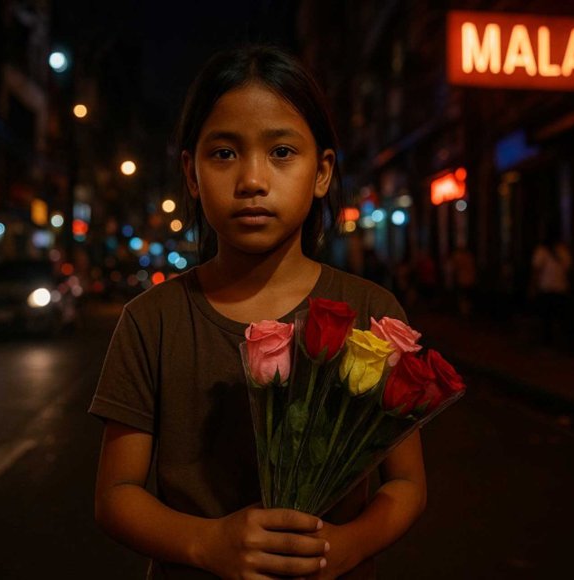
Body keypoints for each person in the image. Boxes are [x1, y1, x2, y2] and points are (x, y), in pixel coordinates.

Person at [89, 45, 426, 580]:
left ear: (322, 171)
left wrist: (349, 546)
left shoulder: (371, 314)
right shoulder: (152, 320)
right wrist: (208, 543)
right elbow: (116, 495)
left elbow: (404, 483)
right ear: (192, 175)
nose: (252, 180)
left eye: (282, 152)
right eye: (224, 153)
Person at [530, 226, 574, 351]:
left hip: (547, 288)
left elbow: (536, 271)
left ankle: (548, 343)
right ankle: (561, 343)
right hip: (560, 288)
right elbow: (568, 270)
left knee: (546, 319)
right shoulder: (563, 251)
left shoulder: (542, 251)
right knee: (559, 318)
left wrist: (533, 287)